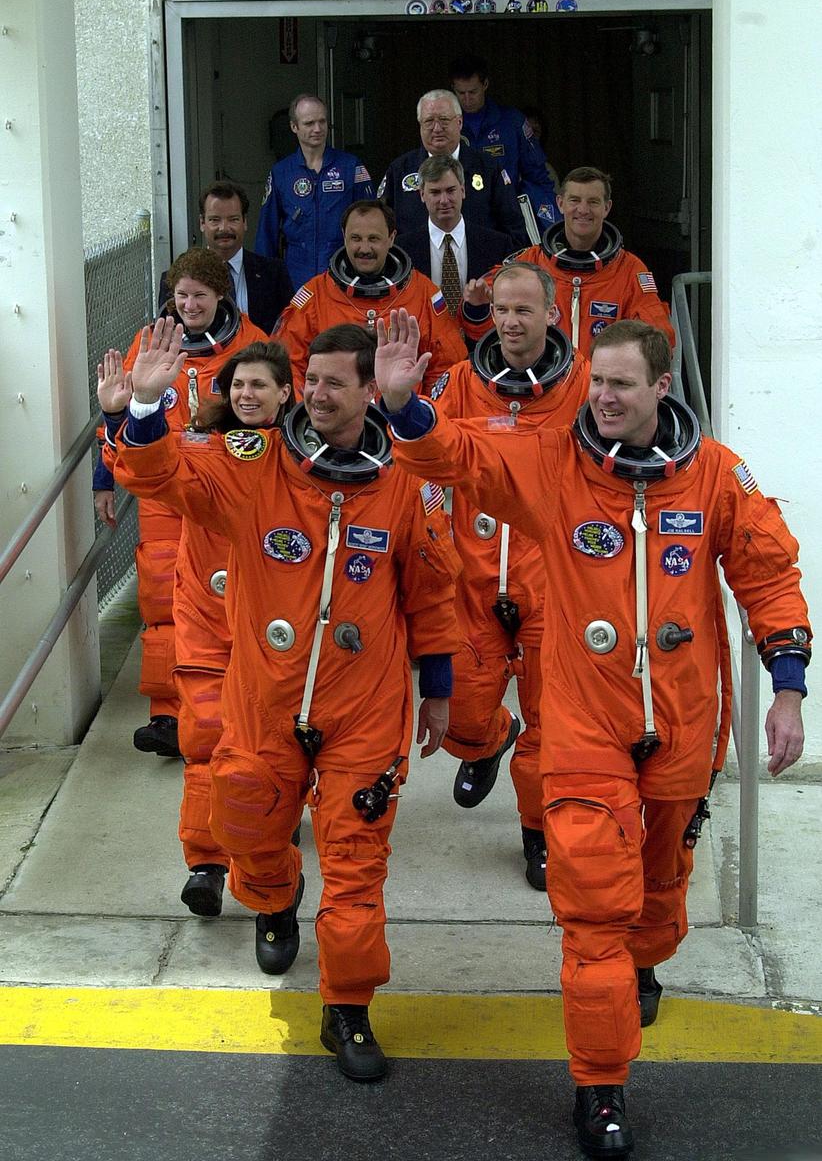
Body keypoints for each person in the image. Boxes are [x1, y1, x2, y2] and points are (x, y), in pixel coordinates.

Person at [375, 311, 811, 1158]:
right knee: (594, 911)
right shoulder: (553, 465)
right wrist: (405, 407)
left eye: (620, 385)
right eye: (597, 383)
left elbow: (769, 574)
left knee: (659, 886)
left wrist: (787, 692)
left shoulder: (719, 477)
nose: (604, 398)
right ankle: (602, 1086)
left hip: (684, 725)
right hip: (584, 726)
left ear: (659, 386)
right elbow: (461, 459)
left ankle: (646, 960)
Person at [113, 320, 461, 1084]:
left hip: (364, 708)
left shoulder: (407, 478)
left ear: (372, 391)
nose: (317, 393)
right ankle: (273, 898)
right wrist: (140, 409)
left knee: (357, 864)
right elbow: (163, 479)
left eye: (337, 382)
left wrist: (438, 692)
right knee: (240, 815)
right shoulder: (255, 463)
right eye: (312, 379)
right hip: (264, 696)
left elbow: (434, 592)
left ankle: (348, 1007)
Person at [98, 341, 293, 916]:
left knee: (271, 755)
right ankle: (205, 864)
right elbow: (144, 468)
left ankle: (269, 863)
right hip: (208, 618)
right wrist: (127, 412)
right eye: (238, 386)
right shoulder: (201, 447)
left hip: (278, 628)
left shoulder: (311, 456)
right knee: (206, 735)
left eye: (260, 385)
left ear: (286, 393)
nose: (247, 395)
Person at [429, 263, 590, 891]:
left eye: (525, 310)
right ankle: (490, 739)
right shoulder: (463, 386)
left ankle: (538, 833)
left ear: (552, 314)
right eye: (501, 310)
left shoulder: (582, 386)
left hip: (552, 579)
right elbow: (421, 462)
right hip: (472, 579)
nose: (512, 322)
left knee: (552, 722)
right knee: (461, 713)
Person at [93, 248, 268, 756]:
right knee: (161, 597)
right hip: (165, 485)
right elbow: (120, 412)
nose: (189, 304)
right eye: (181, 295)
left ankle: (227, 705)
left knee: (223, 597)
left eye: (200, 295)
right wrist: (105, 478)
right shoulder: (151, 344)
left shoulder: (251, 343)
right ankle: (168, 714)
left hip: (223, 489)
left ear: (221, 296)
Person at [464, 166, 675, 358]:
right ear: (560, 203)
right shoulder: (528, 263)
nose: (583, 210)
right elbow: (481, 329)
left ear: (607, 208)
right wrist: (479, 305)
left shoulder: (628, 269)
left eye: (593, 202)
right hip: (543, 386)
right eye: (574, 200)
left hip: (602, 388)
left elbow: (657, 338)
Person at [275, 199, 476, 396]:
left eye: (373, 239)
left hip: (401, 418)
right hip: (331, 416)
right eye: (356, 238)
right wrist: (310, 409)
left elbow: (447, 368)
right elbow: (287, 364)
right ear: (344, 236)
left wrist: (421, 415)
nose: (364, 249)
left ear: (391, 238)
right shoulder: (315, 294)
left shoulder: (424, 293)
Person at [377, 89, 529, 246]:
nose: (437, 128)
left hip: (482, 266)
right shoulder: (399, 170)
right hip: (414, 266)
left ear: (459, 122)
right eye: (429, 121)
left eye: (444, 120)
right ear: (420, 125)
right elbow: (380, 228)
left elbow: (514, 231)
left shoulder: (489, 169)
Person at [254, 94, 373, 289]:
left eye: (322, 122)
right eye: (309, 123)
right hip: (296, 277)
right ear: (294, 127)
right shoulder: (281, 173)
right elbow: (267, 233)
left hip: (343, 274)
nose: (317, 129)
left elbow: (372, 221)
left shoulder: (351, 166)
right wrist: (264, 281)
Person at [158, 182, 293, 335]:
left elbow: (289, 331)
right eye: (215, 220)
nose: (224, 228)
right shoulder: (172, 281)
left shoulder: (274, 273)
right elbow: (167, 336)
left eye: (233, 219)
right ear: (202, 223)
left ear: (245, 222)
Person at [449, 54, 560, 230]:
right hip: (461, 218)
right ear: (453, 88)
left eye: (473, 92)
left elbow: (538, 176)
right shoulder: (444, 126)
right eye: (461, 93)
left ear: (485, 85)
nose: (467, 99)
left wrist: (553, 224)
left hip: (507, 218)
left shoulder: (512, 121)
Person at [398, 155, 514, 321]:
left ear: (463, 190)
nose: (444, 200)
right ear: (422, 195)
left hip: (482, 340)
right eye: (435, 192)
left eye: (450, 190)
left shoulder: (498, 245)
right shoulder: (402, 250)